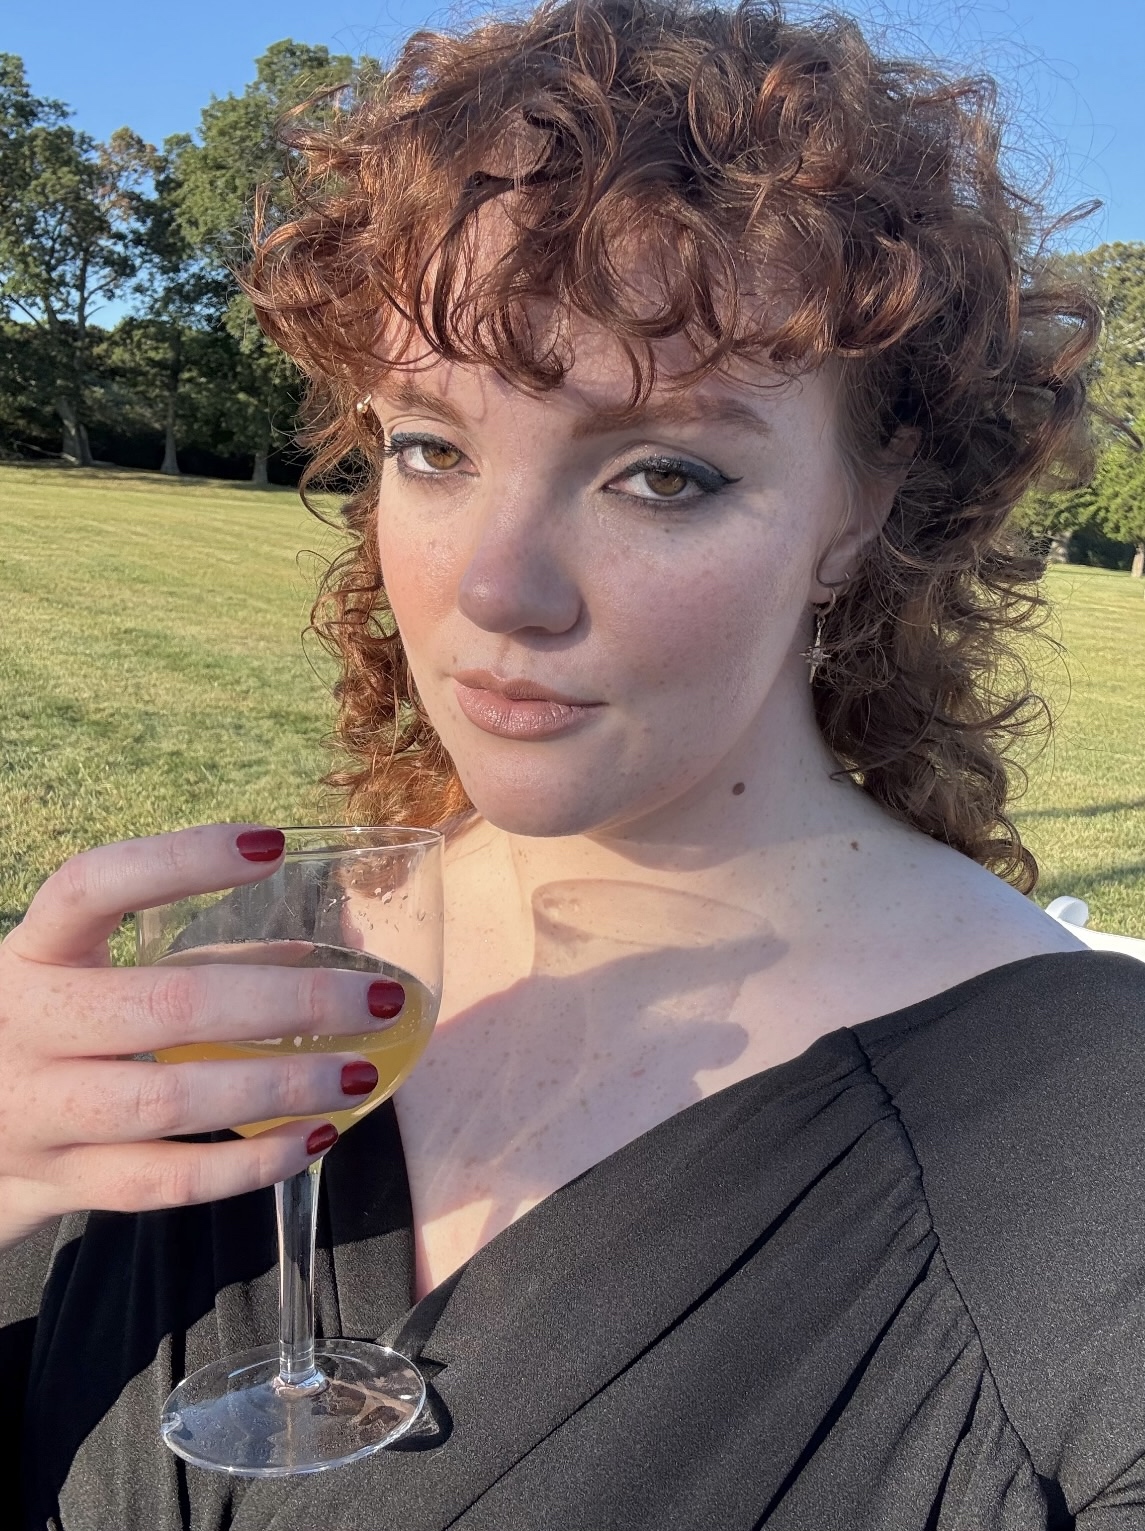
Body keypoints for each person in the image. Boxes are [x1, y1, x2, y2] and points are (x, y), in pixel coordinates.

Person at [2, 0, 1143, 1525]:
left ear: (864, 509)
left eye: (661, 473)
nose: (494, 588)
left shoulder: (1085, 1148)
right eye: (432, 447)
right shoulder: (258, 985)